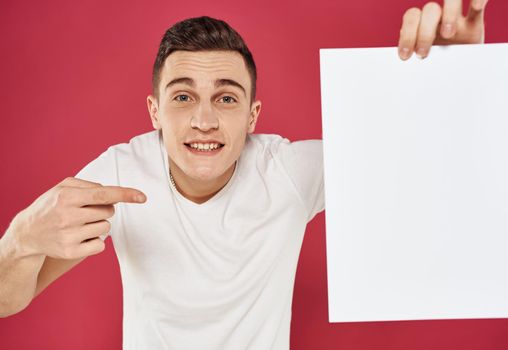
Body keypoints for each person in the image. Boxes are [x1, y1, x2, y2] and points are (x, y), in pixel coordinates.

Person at [0, 1, 488, 348]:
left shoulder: (288, 171)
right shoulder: (121, 174)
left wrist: (456, 76)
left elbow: (428, 166)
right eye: (184, 96)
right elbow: (6, 302)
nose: (204, 120)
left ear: (253, 117)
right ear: (154, 111)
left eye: (226, 97)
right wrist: (20, 238)